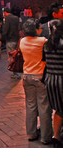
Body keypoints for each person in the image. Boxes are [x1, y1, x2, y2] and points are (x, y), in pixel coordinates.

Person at [19, 18, 52, 145]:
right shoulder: (42, 41)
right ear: (35, 29)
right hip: (40, 76)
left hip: (27, 76)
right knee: (44, 106)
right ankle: (45, 136)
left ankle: (31, 133)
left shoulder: (22, 41)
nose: (41, 29)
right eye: (39, 27)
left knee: (30, 105)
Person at [43, 19, 63, 148]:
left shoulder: (46, 44)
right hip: (61, 79)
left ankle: (56, 135)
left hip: (50, 80)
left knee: (58, 109)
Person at [2, 8, 20, 79]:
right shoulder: (16, 18)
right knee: (16, 55)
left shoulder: (7, 18)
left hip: (10, 39)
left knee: (11, 56)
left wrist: (3, 37)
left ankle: (14, 72)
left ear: (5, 12)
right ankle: (17, 71)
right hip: (16, 39)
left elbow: (6, 29)